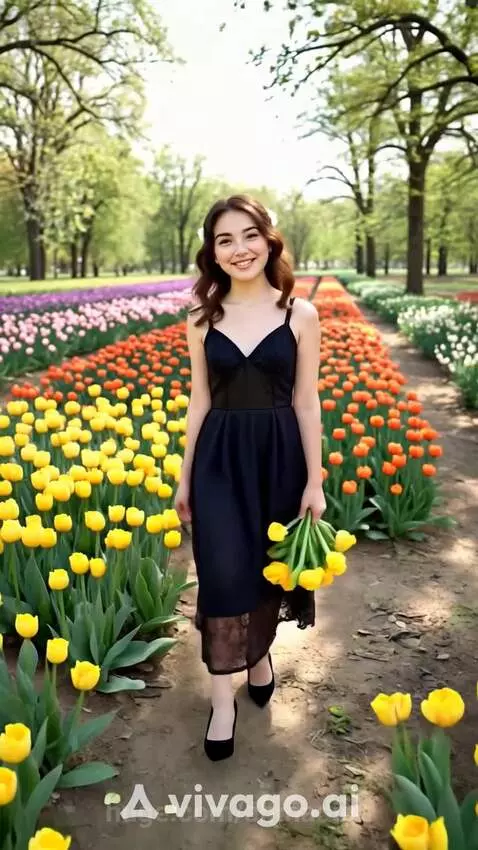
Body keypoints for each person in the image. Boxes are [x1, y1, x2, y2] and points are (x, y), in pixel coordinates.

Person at [174, 194, 325, 761]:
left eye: (249, 235)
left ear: (269, 239)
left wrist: (315, 481)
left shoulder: (299, 314)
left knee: (268, 569)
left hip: (280, 457)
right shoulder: (200, 317)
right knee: (220, 573)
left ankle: (259, 657)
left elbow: (308, 402)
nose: (240, 249)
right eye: (225, 240)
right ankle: (221, 700)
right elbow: (198, 401)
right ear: (212, 253)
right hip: (218, 457)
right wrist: (185, 477)